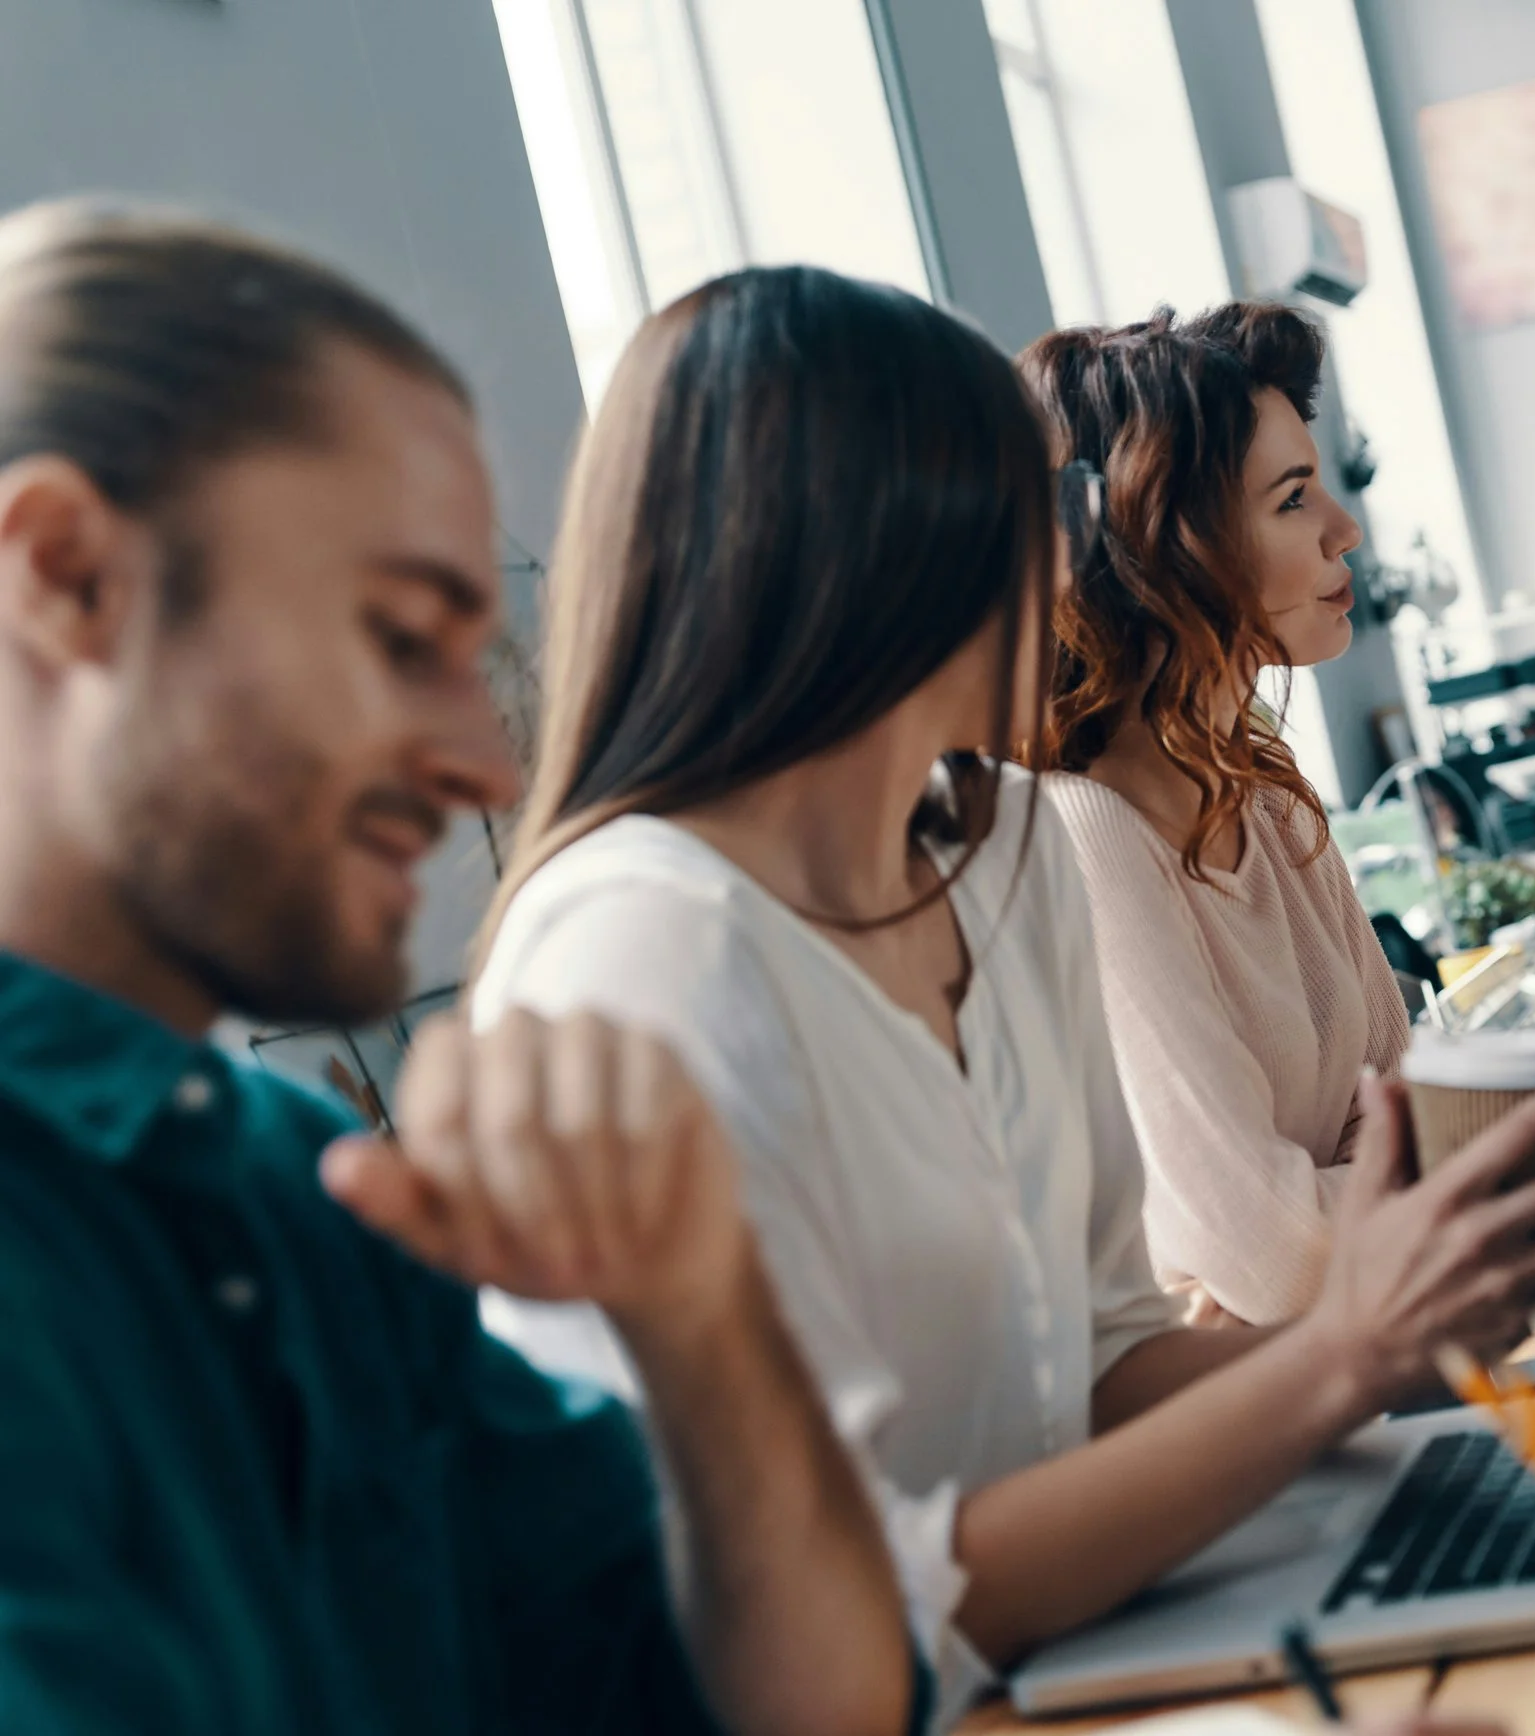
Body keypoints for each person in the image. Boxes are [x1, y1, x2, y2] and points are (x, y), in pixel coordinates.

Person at [466, 266, 1535, 1729]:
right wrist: (1348, 1354)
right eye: (1032, 511)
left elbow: (1102, 1367)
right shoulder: (644, 950)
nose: (1073, 560)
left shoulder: (1006, 844)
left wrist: (1422, 1321)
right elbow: (842, 1613)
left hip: (1096, 1648)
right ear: (852, 551)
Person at [0, 202, 918, 1734]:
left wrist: (699, 1315)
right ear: (71, 577)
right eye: (403, 636)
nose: (491, 764)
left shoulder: (301, 1190)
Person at [1027, 303, 1409, 1326]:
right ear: (1166, 547)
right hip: (1251, 1449)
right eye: (1292, 500)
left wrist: (1364, 1179)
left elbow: (1412, 1095)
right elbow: (1280, 1255)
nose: (1345, 528)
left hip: (1361, 1365)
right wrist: (1384, 1178)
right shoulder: (1082, 832)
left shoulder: (1259, 772)